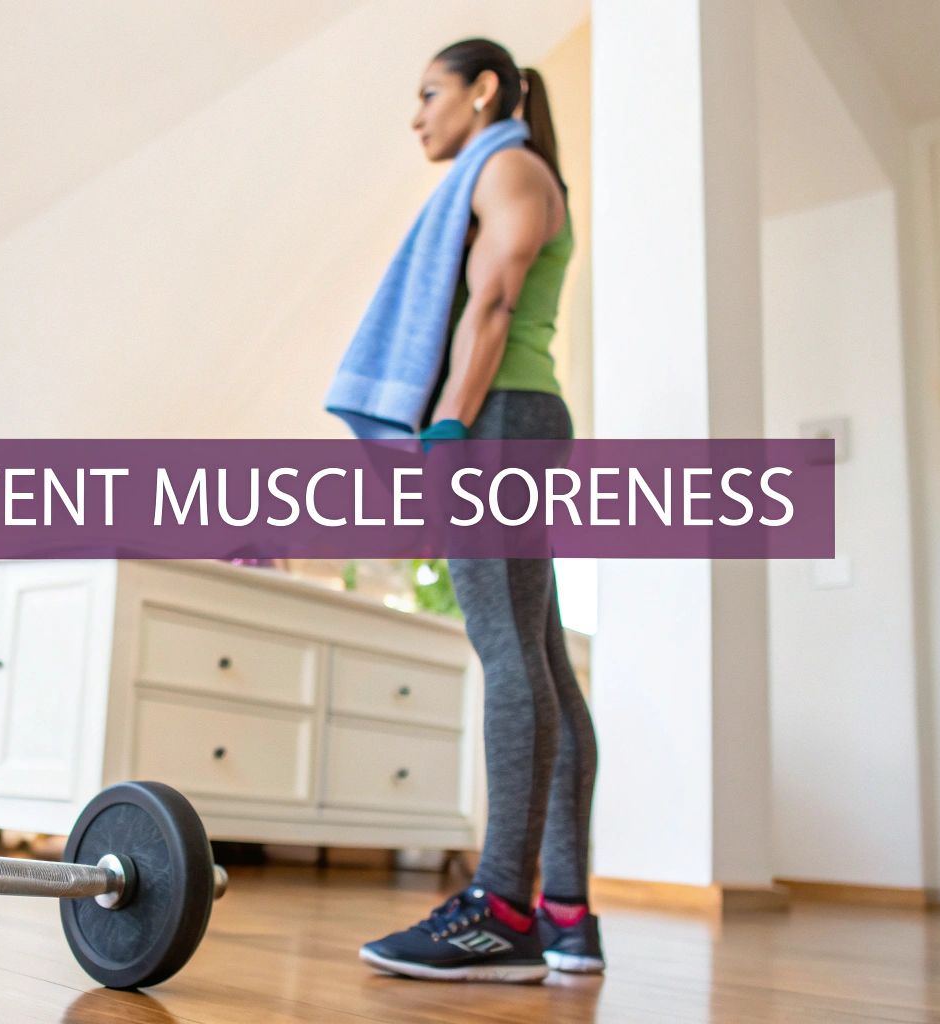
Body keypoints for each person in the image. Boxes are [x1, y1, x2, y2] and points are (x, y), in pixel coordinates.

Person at [353, 38, 601, 983]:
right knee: (540, 661)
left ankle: (502, 907)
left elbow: (491, 303)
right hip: (519, 417)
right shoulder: (518, 168)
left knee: (509, 653)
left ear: (484, 89)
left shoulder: (505, 165)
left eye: (429, 93)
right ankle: (568, 913)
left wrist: (448, 432)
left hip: (496, 419)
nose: (417, 115)